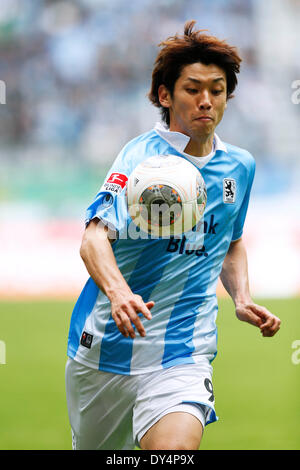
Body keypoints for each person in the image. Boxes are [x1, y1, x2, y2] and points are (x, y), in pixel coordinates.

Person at [65, 20, 281, 450]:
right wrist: (120, 293)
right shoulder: (140, 160)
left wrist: (241, 297)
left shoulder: (240, 166)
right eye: (192, 89)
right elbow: (93, 238)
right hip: (108, 345)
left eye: (217, 90)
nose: (206, 101)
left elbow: (231, 240)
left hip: (185, 350)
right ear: (165, 95)